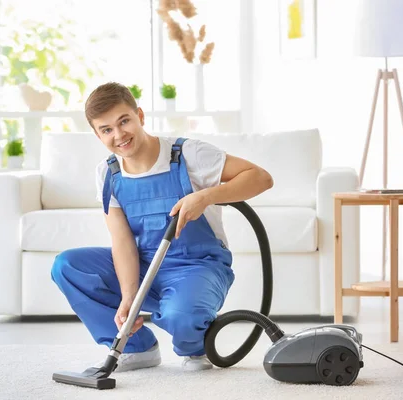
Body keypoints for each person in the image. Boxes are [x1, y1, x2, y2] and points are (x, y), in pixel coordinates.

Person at [51, 82, 273, 372]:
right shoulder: (108, 173)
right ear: (97, 134)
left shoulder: (188, 154)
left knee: (181, 315)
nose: (119, 135)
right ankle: (135, 347)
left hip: (196, 267)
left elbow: (260, 177)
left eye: (124, 121)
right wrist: (129, 298)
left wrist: (205, 196)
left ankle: (193, 347)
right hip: (145, 266)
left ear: (140, 116)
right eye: (106, 130)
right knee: (67, 266)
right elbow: (122, 240)